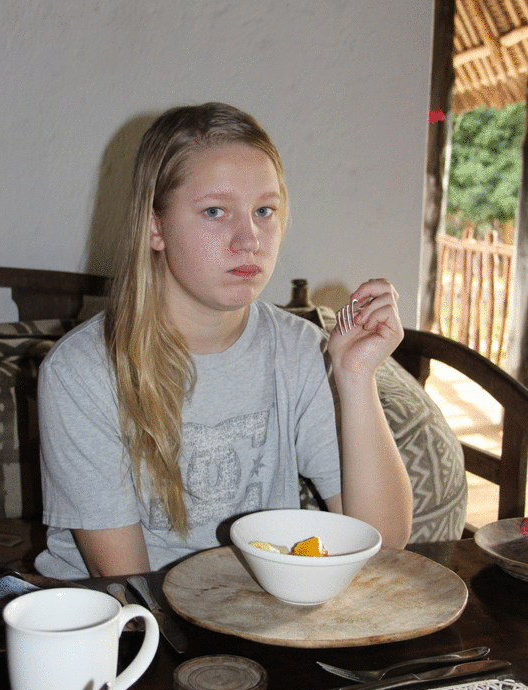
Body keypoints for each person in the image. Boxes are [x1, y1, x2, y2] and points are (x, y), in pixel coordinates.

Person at [36, 102, 412, 579]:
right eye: (215, 211)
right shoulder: (82, 372)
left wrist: (355, 378)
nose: (249, 240)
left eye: (264, 211)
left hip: (257, 609)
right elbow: (129, 585)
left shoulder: (300, 351)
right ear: (155, 227)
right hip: (130, 613)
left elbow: (383, 542)